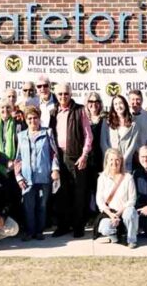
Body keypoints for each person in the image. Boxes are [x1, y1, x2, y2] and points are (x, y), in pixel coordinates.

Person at [49, 83, 93, 238]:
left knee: (78, 193)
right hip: (59, 157)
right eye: (60, 94)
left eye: (66, 93)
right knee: (62, 193)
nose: (63, 96)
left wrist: (84, 155)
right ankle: (63, 226)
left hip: (76, 157)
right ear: (56, 95)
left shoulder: (80, 110)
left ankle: (78, 226)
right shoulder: (53, 112)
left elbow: (88, 136)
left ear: (70, 94)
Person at [15, 106, 60, 240]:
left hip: (44, 176)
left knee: (42, 205)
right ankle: (30, 232)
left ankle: (39, 231)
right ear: (25, 119)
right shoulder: (21, 136)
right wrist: (18, 177)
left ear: (39, 119)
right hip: (27, 178)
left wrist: (55, 169)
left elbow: (54, 154)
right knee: (28, 206)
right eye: (29, 118)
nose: (32, 121)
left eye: (35, 118)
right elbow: (18, 158)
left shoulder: (47, 133)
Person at [95, 149, 139, 248]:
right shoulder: (102, 178)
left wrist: (118, 214)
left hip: (124, 211)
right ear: (107, 161)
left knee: (130, 213)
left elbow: (132, 199)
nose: (114, 162)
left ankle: (131, 240)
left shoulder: (128, 177)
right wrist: (111, 215)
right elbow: (100, 201)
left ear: (121, 161)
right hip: (110, 213)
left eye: (117, 159)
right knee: (104, 228)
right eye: (111, 159)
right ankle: (116, 237)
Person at [101, 94, 142, 172]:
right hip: (110, 163)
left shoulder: (133, 123)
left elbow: (133, 145)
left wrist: (123, 160)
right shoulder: (106, 121)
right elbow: (103, 142)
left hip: (126, 163)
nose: (118, 106)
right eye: (115, 104)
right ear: (113, 107)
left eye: (120, 103)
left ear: (125, 104)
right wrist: (111, 158)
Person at [0, 99, 24, 174]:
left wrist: (16, 162)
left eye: (8, 107)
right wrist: (6, 161)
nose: (5, 110)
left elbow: (22, 147)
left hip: (16, 166)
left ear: (12, 109)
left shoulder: (18, 126)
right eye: (2, 107)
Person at [85, 92, 106, 212]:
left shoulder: (105, 119)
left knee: (100, 187)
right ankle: (89, 214)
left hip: (101, 158)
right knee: (87, 188)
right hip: (87, 158)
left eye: (96, 101)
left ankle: (100, 213)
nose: (94, 104)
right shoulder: (83, 118)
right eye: (91, 101)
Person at [128, 89, 147, 155]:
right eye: (133, 99)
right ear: (129, 101)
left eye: (138, 99)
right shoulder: (124, 116)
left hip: (144, 154)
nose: (135, 102)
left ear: (142, 100)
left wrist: (145, 149)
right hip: (128, 153)